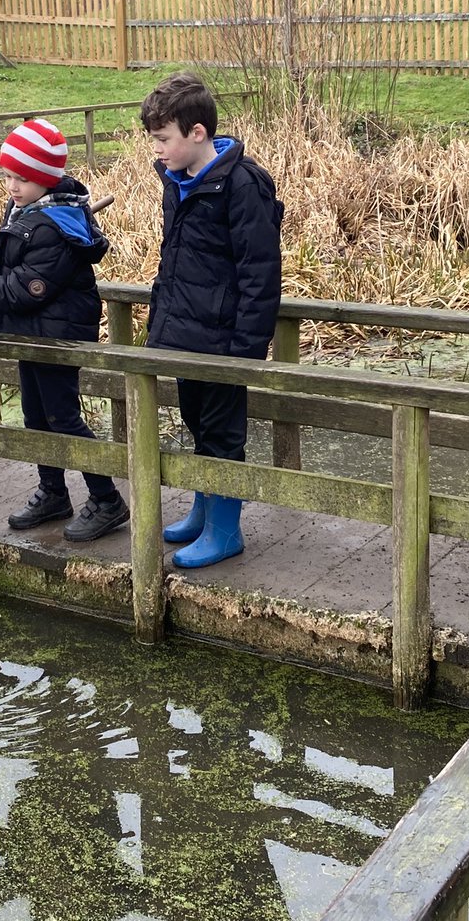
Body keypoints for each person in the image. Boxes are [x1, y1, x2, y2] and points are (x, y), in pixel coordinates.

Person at [0, 116, 129, 542]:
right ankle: (52, 491)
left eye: (22, 179)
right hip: (32, 332)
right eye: (8, 176)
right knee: (35, 414)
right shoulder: (28, 207)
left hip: (57, 332)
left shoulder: (55, 225)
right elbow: (7, 241)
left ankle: (107, 499)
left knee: (63, 417)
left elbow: (24, 290)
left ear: (45, 179)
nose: (12, 186)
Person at [141, 72, 283, 568]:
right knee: (196, 420)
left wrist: (246, 348)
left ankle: (226, 530)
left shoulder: (243, 185)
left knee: (223, 434)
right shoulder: (176, 182)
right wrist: (162, 321)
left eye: (163, 139)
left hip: (223, 340)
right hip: (186, 331)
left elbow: (259, 272)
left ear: (196, 133)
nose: (157, 149)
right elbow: (173, 259)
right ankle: (205, 510)